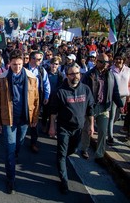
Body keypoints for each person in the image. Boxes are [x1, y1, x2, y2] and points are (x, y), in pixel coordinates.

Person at [0, 49, 39, 194]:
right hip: (9, 119)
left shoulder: (32, 77)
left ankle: (15, 154)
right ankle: (10, 178)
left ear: (23, 62)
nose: (17, 67)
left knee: (19, 143)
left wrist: (35, 118)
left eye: (19, 64)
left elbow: (36, 100)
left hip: (25, 118)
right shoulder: (3, 78)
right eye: (14, 65)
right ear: (9, 64)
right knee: (9, 149)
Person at [48, 63, 95, 194]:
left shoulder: (85, 89)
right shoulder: (60, 91)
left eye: (78, 73)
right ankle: (64, 181)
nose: (76, 76)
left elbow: (90, 109)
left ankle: (60, 158)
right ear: (67, 75)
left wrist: (91, 125)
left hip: (78, 128)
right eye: (72, 74)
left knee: (73, 149)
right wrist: (52, 127)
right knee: (62, 154)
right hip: (64, 127)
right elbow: (53, 112)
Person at [80, 53, 123, 164]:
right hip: (91, 108)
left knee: (103, 131)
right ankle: (84, 148)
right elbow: (83, 91)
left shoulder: (110, 75)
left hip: (104, 108)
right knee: (87, 130)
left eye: (107, 62)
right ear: (96, 62)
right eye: (102, 62)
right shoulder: (89, 75)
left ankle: (99, 154)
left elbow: (115, 91)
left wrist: (120, 104)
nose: (105, 64)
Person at [25, 50, 50, 153]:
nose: (40, 61)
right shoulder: (23, 68)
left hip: (36, 98)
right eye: (39, 59)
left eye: (41, 59)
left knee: (35, 120)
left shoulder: (42, 70)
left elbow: (46, 83)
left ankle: (34, 142)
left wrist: (46, 96)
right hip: (24, 97)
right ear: (32, 59)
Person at [107, 53, 130, 146]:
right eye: (116, 59)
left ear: (123, 60)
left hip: (124, 96)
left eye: (120, 59)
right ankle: (110, 137)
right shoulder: (110, 70)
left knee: (118, 115)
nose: (118, 61)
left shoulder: (128, 70)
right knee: (112, 116)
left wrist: (129, 96)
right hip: (113, 96)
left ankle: (108, 127)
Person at [41, 56, 64, 134]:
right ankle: (44, 125)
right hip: (47, 95)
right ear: (50, 64)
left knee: (53, 113)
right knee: (45, 112)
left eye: (56, 64)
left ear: (58, 65)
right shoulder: (46, 72)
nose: (54, 65)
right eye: (52, 64)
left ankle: (51, 127)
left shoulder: (60, 75)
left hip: (55, 97)